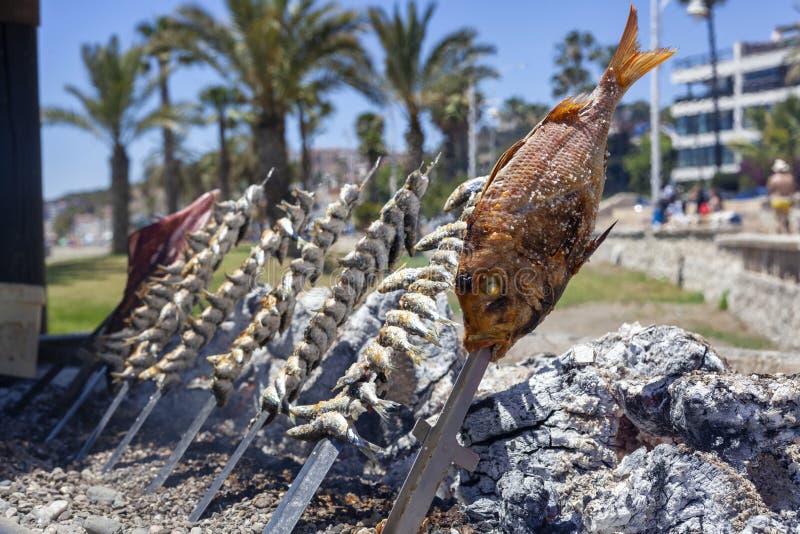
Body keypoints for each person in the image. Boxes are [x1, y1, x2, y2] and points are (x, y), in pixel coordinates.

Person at [766, 159, 796, 233]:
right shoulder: (790, 177)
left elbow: (769, 190)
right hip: (787, 201)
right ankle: (787, 230)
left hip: (777, 201)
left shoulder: (773, 178)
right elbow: (792, 190)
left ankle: (779, 231)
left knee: (778, 219)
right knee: (786, 217)